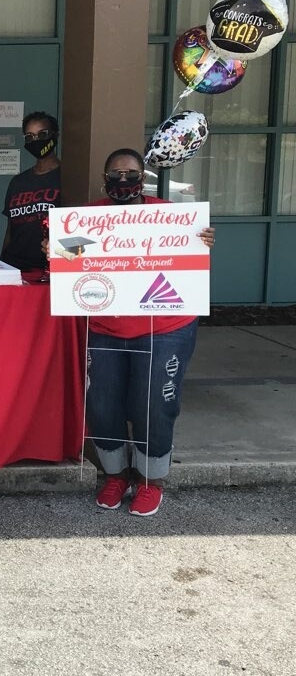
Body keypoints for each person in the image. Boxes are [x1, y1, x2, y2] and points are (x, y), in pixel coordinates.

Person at [51, 148, 215, 517]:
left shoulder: (169, 216)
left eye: (130, 174)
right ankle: (116, 475)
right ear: (105, 179)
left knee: (155, 405)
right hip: (107, 327)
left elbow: (187, 256)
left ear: (143, 178)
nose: (122, 181)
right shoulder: (87, 219)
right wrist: (56, 251)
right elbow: (71, 260)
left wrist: (202, 241)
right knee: (103, 405)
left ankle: (151, 480)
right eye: (115, 174)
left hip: (166, 327)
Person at [2, 110, 61, 273]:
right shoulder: (18, 182)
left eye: (42, 134)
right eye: (29, 136)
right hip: (15, 266)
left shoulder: (68, 179)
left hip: (48, 269)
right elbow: (10, 229)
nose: (36, 141)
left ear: (55, 135)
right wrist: (3, 266)